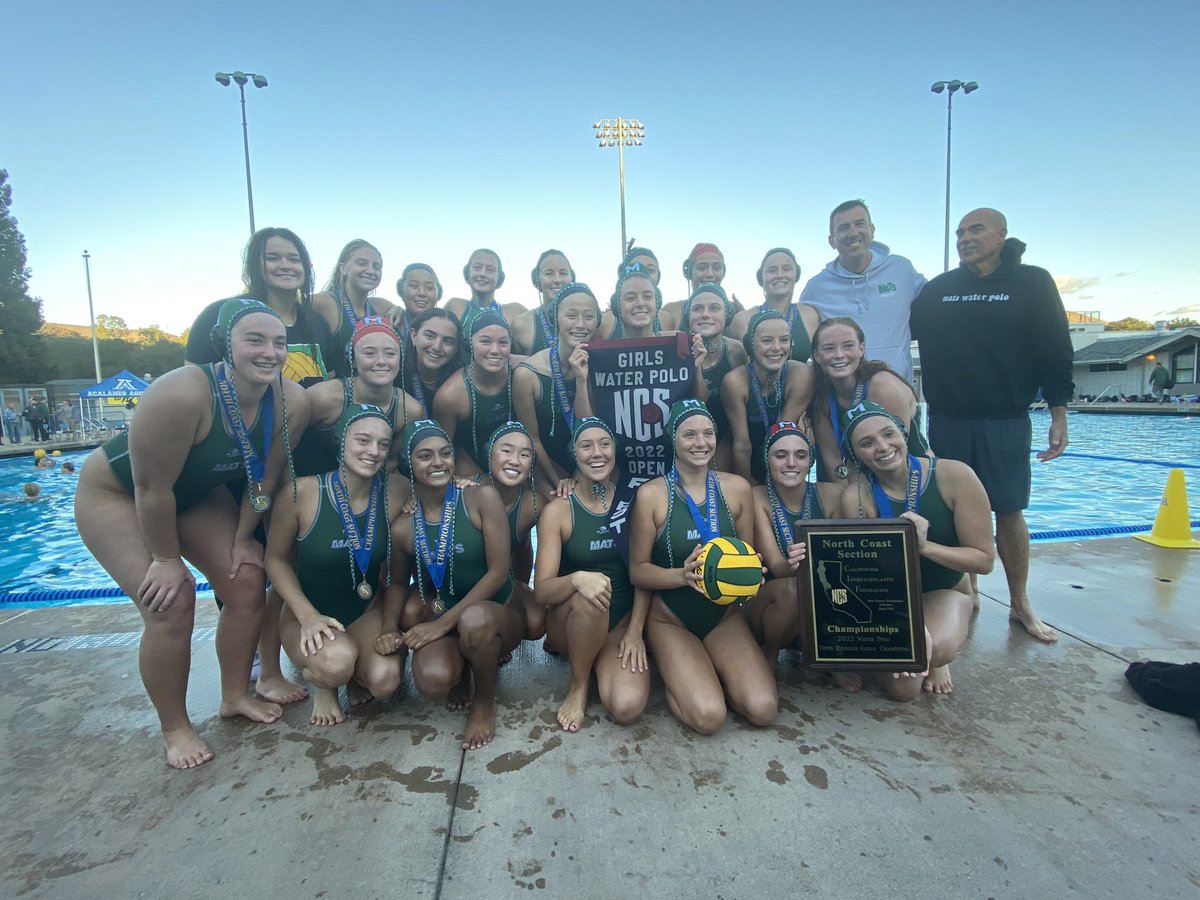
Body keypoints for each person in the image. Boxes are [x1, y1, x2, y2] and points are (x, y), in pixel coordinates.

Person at [74, 299, 307, 768]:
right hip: (119, 495)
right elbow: (151, 488)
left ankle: (236, 693)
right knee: (171, 601)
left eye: (278, 343)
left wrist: (243, 537)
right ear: (225, 346)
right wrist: (165, 559)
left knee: (246, 579)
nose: (269, 352)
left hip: (198, 494)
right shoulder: (181, 394)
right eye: (254, 340)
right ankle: (176, 727)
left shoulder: (290, 399)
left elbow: (264, 480)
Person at [911, 207, 1073, 644]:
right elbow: (890, 330)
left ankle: (1019, 601)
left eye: (976, 230)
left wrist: (1059, 413)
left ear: (1001, 235)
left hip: (1005, 417)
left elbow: (1056, 348)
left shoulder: (1032, 283)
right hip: (948, 417)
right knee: (952, 510)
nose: (965, 237)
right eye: (960, 231)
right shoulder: (938, 290)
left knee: (1009, 509)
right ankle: (969, 592)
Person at [375, 420, 524, 750]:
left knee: (475, 621)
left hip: (498, 614)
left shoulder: (481, 497)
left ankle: (484, 701)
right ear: (408, 465)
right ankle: (461, 672)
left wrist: (440, 624)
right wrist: (387, 626)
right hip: (449, 613)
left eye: (445, 454)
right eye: (425, 456)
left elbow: (499, 572)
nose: (438, 462)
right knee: (433, 681)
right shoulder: (403, 526)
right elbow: (398, 583)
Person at [629, 400, 777, 734]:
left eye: (708, 433)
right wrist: (681, 575)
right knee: (709, 717)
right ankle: (681, 680)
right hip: (672, 618)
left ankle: (712, 673)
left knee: (763, 709)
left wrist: (753, 573)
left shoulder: (737, 488)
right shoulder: (651, 495)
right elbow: (638, 570)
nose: (701, 442)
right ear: (673, 441)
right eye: (689, 435)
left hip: (724, 616)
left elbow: (748, 554)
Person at [836, 401, 995, 697]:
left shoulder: (955, 476)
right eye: (867, 443)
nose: (882, 447)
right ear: (855, 455)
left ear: (904, 434)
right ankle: (914, 638)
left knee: (935, 649)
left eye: (888, 434)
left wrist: (924, 547)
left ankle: (939, 654)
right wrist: (900, 619)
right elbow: (862, 573)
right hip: (891, 599)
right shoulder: (857, 497)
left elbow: (984, 561)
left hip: (944, 589)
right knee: (903, 690)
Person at [265, 405, 409, 726]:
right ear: (341, 440)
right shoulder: (301, 493)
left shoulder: (398, 491)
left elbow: (440, 495)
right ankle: (323, 685)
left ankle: (357, 673)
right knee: (334, 663)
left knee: (386, 681)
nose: (373, 451)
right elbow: (274, 560)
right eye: (362, 441)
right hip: (309, 613)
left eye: (383, 444)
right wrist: (308, 616)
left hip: (366, 609)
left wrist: (466, 487)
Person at [535, 418, 650, 731]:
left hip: (620, 624)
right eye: (586, 445)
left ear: (614, 450)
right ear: (574, 453)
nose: (596, 452)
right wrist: (576, 579)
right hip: (572, 621)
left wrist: (636, 631)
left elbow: (645, 573)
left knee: (626, 707)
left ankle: (602, 661)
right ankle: (579, 684)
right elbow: (542, 591)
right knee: (591, 594)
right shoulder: (558, 510)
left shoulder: (634, 500)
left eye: (605, 444)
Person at [186, 227, 338, 388]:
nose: (286, 265)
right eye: (273, 258)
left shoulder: (317, 322)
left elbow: (329, 384)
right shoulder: (219, 314)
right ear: (256, 265)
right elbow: (193, 384)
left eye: (294, 259)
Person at [800, 200, 927, 383]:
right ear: (832, 240)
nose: (853, 233)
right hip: (842, 397)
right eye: (844, 228)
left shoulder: (902, 270)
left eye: (860, 224)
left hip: (897, 392)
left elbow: (935, 307)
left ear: (872, 229)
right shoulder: (816, 287)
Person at [750, 422, 842, 660]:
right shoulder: (756, 497)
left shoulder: (832, 495)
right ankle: (769, 656)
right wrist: (792, 565)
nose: (791, 463)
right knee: (794, 589)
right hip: (770, 603)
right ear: (767, 460)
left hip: (821, 596)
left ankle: (827, 655)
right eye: (780, 455)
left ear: (810, 461)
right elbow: (777, 566)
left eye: (800, 455)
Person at [296, 317, 423, 476]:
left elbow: (389, 463)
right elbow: (284, 448)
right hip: (309, 486)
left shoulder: (408, 410)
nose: (381, 361)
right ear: (353, 359)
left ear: (400, 359)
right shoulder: (323, 396)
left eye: (390, 353)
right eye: (369, 353)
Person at [808, 316, 928, 484]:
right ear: (816, 355)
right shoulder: (821, 398)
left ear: (861, 349)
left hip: (914, 478)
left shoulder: (884, 388)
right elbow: (832, 459)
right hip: (864, 480)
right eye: (829, 349)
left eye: (848, 346)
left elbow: (894, 455)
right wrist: (847, 497)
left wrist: (859, 497)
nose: (839, 355)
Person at [513, 283, 600, 486]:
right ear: (556, 319)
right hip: (546, 469)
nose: (580, 324)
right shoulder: (527, 375)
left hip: (590, 464)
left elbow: (591, 429)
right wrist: (559, 481)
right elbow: (532, 440)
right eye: (571, 316)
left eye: (588, 316)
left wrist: (581, 380)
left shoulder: (600, 367)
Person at [722, 309, 813, 485]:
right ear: (751, 345)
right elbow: (742, 445)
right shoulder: (735, 381)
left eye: (784, 340)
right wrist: (749, 487)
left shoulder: (801, 374)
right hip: (744, 454)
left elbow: (782, 433)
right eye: (766, 340)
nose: (776, 348)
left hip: (781, 451)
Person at [433, 311, 514, 476]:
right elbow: (445, 450)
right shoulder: (450, 396)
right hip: (470, 465)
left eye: (503, 342)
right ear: (470, 343)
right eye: (485, 341)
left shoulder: (523, 369)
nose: (495, 350)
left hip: (516, 458)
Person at [681, 283, 746, 471]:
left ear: (727, 315)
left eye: (714, 308)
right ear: (688, 316)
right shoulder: (674, 349)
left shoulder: (736, 351)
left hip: (724, 437)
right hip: (685, 441)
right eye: (698, 308)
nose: (705, 314)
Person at [312, 239, 395, 369]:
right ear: (343, 268)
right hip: (335, 387)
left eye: (376, 266)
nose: (370, 270)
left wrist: (398, 310)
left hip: (375, 385)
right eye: (362, 263)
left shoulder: (381, 306)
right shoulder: (322, 302)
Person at [730, 248, 820, 362]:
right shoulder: (742, 320)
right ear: (761, 278)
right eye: (772, 270)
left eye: (786, 269)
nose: (780, 275)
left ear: (796, 275)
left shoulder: (810, 315)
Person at [660, 242, 744, 331]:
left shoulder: (736, 313)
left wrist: (743, 317)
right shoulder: (673, 311)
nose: (710, 274)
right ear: (689, 272)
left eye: (717, 268)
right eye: (702, 268)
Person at [512, 249, 575, 355]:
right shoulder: (521, 325)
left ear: (572, 279)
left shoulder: (588, 322)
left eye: (563, 273)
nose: (557, 280)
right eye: (549, 273)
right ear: (537, 280)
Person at [400, 308, 463, 413]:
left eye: (447, 341)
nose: (437, 347)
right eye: (430, 336)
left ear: (456, 349)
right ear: (414, 336)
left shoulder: (464, 382)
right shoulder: (395, 375)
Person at [446, 249, 516, 336]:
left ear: (500, 279)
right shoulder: (454, 307)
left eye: (490, 270)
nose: (483, 274)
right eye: (477, 267)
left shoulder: (513, 312)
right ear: (467, 273)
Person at [393, 263, 443, 336]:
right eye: (414, 286)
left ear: (438, 294)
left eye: (429, 288)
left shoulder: (447, 327)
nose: (422, 293)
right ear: (401, 291)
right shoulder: (389, 324)